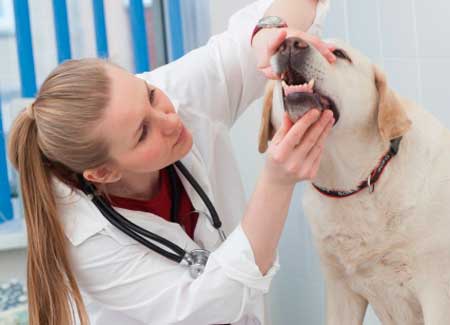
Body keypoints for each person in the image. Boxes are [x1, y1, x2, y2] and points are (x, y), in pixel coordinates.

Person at [7, 0, 336, 324]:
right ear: (104, 172)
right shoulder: (85, 239)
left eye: (150, 95)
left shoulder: (174, 95)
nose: (170, 120)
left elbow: (297, 7)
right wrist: (277, 183)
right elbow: (211, 306)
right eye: (142, 133)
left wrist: (268, 32)